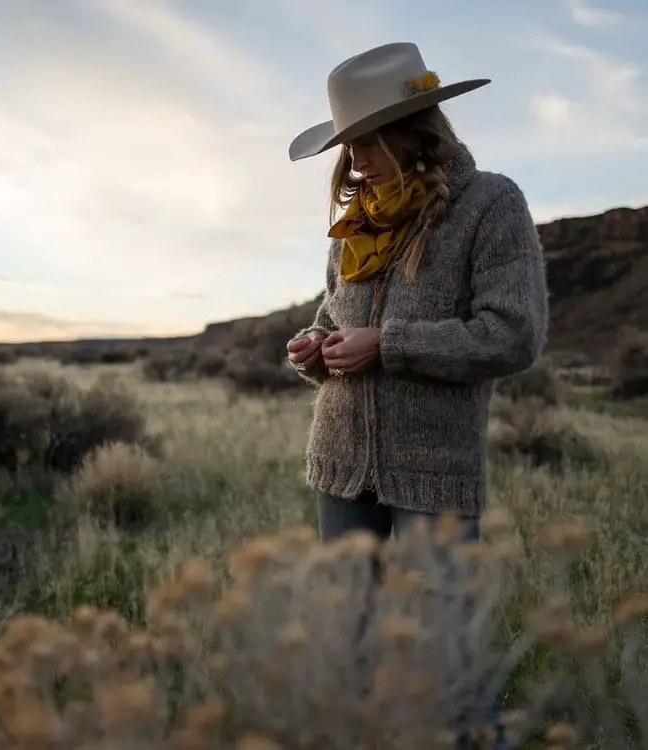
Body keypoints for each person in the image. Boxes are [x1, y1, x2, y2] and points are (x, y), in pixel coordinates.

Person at [285, 42, 549, 746]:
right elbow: (333, 316)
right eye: (348, 144)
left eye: (369, 140)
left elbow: (513, 333)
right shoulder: (354, 225)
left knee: (444, 658)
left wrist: (391, 346)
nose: (357, 159)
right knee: (351, 648)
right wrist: (313, 348)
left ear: (417, 128)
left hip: (434, 470)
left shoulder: (491, 203)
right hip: (342, 464)